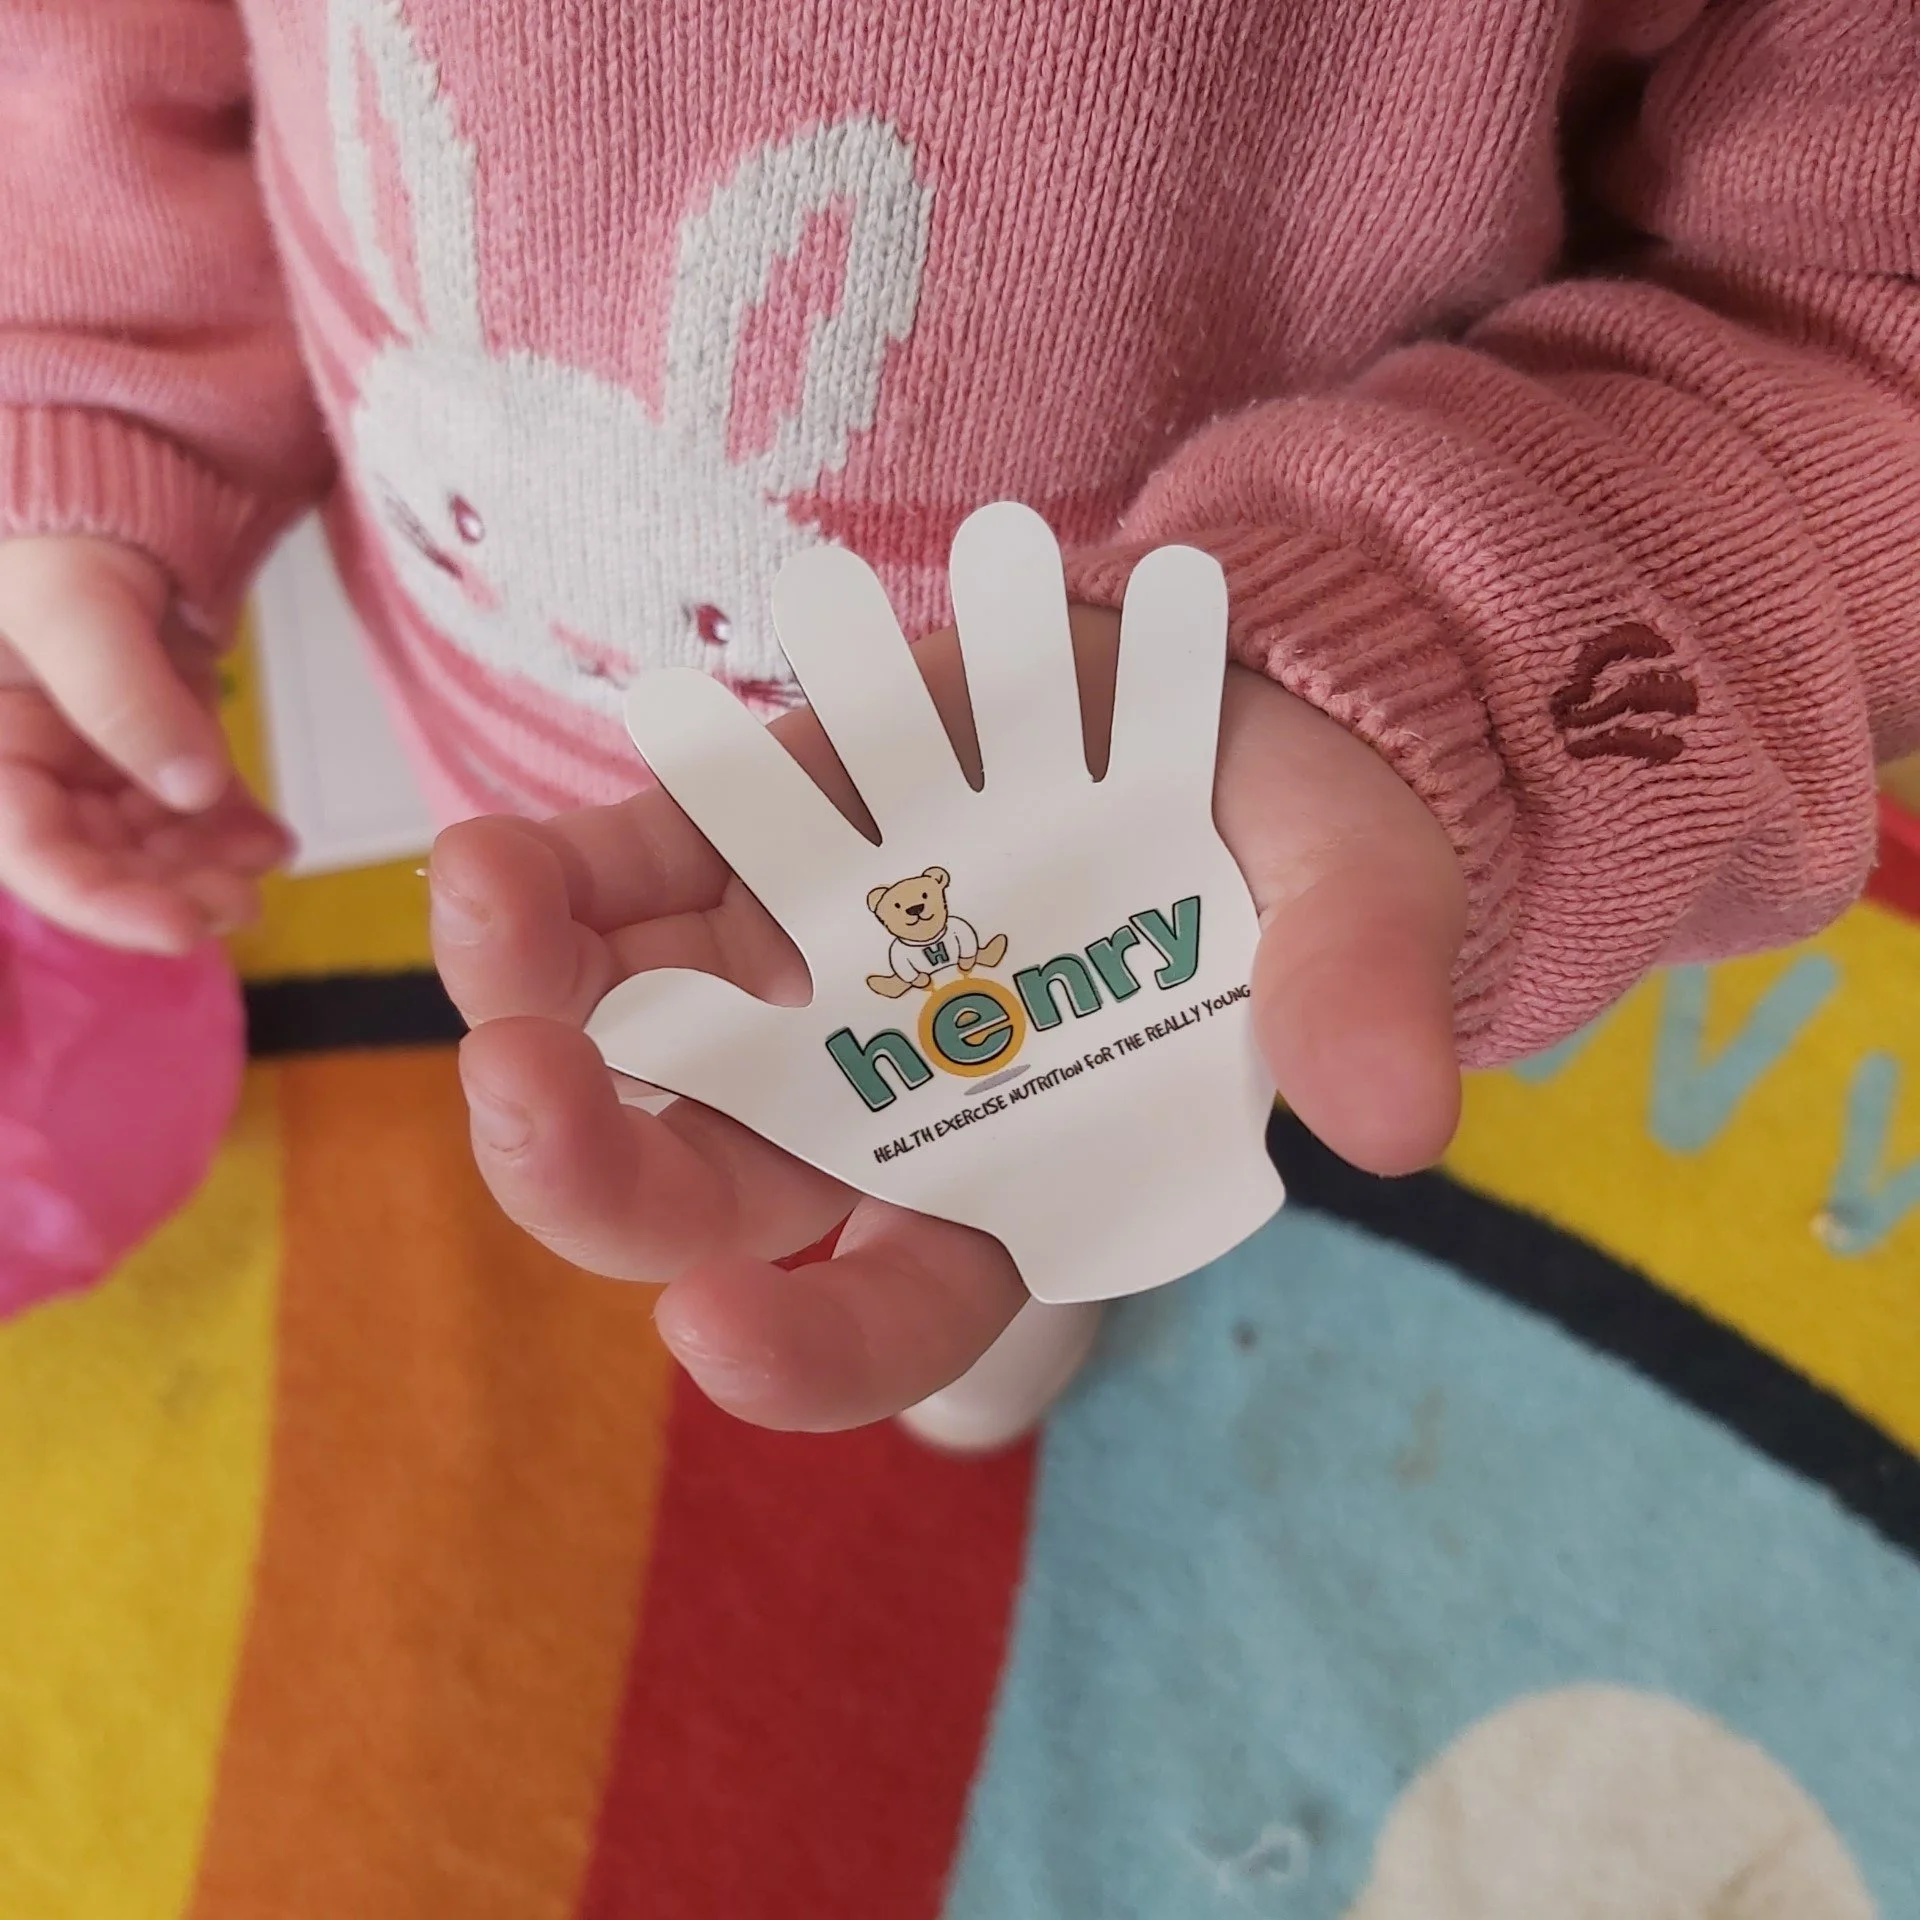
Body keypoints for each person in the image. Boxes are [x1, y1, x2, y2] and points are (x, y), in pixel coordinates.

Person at [1, 1, 1915, 1447]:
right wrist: (97, 406)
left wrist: (1433, 657)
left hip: (1153, 854)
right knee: (610, 1050)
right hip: (500, 697)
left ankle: (1010, 1262)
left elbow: (1861, 309)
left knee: (980, 1192)